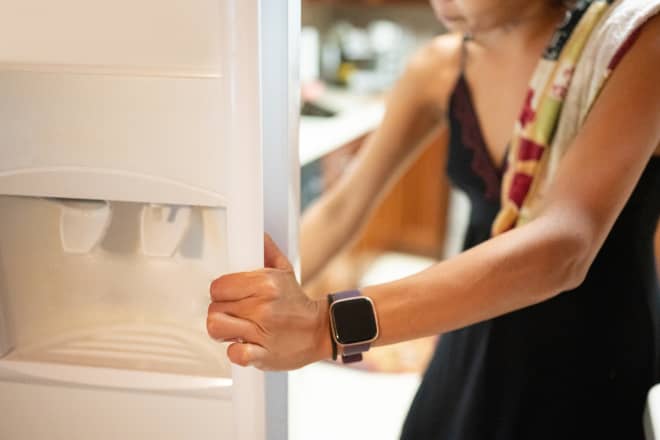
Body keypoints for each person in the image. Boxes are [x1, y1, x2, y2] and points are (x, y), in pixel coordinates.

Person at [207, 0, 660, 438]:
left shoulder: (634, 41)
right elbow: (342, 210)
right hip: (470, 324)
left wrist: (325, 325)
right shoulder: (439, 67)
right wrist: (232, 308)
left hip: (592, 355)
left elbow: (565, 247)